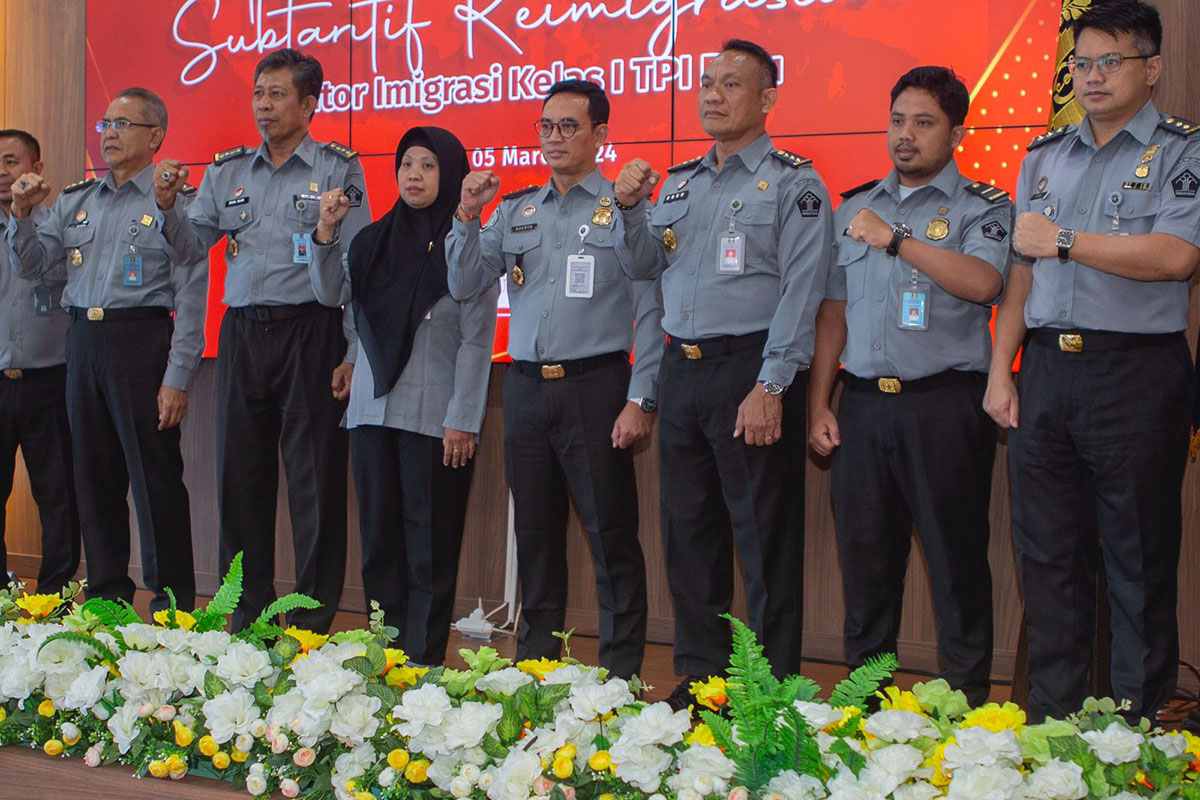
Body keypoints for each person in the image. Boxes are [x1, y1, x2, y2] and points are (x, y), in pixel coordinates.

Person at [984, 0, 1200, 722]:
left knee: (1137, 559)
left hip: (1135, 374)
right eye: (1084, 62)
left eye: (1113, 61)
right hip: (1046, 372)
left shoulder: (1181, 150)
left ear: (1152, 67)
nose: (1094, 75)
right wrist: (1000, 370)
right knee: (1047, 558)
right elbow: (1021, 274)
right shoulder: (1044, 156)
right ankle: (1054, 721)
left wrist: (1068, 240)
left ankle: (1137, 731)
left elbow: (1176, 257)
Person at [614, 39, 834, 705]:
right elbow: (645, 268)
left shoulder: (796, 182)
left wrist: (771, 386)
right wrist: (629, 211)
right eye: (707, 83)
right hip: (684, 370)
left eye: (730, 84)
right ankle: (702, 678)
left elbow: (804, 291)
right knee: (689, 534)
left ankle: (766, 687)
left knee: (763, 540)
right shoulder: (678, 182)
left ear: (767, 99)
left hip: (752, 370)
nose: (712, 95)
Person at [809, 67, 1012, 706]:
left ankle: (967, 707)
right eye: (898, 120)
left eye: (923, 122)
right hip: (864, 406)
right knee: (867, 565)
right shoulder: (853, 206)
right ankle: (864, 704)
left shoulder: (984, 206)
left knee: (956, 564)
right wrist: (820, 401)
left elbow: (985, 284)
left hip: (945, 405)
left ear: (956, 131)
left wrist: (897, 240)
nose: (905, 135)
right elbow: (834, 313)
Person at [446, 79, 662, 679]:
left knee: (610, 534)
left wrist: (640, 397)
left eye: (569, 126)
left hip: (596, 387)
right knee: (535, 534)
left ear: (600, 134)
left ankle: (619, 676)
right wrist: (466, 214)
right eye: (546, 126)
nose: (555, 137)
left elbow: (651, 304)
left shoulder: (622, 206)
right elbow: (465, 283)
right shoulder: (516, 209)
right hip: (523, 388)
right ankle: (535, 667)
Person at [155, 48, 372, 632]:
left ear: (308, 103)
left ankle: (310, 616)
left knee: (314, 483)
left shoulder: (337, 168)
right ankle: (245, 610)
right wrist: (169, 207)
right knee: (240, 478)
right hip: (244, 332)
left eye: (277, 94)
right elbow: (190, 246)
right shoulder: (228, 172)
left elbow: (356, 267)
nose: (264, 105)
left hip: (312, 333)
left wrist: (353, 351)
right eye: (258, 93)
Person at [9, 88, 206, 611]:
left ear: (156, 136)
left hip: (141, 342)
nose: (110, 133)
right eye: (105, 124)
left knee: (154, 480)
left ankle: (172, 610)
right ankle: (107, 601)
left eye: (123, 124)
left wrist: (177, 375)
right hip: (83, 343)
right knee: (92, 480)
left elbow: (191, 288)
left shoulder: (173, 200)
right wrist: (24, 216)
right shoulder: (76, 200)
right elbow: (36, 268)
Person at [315, 126, 497, 665]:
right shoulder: (370, 239)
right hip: (372, 410)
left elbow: (477, 339)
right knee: (379, 545)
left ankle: (421, 664)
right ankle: (383, 658)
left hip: (435, 417)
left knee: (429, 549)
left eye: (428, 165)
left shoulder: (472, 248)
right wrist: (326, 232)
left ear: (453, 173)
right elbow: (332, 296)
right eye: (406, 164)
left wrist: (464, 417)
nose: (413, 175)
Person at [0, 128, 80, 594]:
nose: (3, 171)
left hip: (50, 378)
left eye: (12, 161)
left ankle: (54, 596)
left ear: (36, 168)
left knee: (58, 494)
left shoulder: (58, 228)